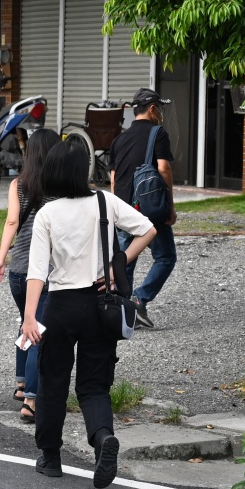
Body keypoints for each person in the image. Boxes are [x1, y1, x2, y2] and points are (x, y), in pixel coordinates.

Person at [21, 143, 158, 487]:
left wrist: (28, 316)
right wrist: (117, 265)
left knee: (53, 382)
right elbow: (148, 229)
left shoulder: (47, 215)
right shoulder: (104, 202)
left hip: (62, 306)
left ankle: (50, 457)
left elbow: (37, 271)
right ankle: (102, 439)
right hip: (101, 304)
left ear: (53, 173)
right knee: (94, 385)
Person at [0, 128, 62, 423]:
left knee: (25, 322)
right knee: (38, 333)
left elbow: (11, 221)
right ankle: (31, 399)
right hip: (43, 273)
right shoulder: (61, 187)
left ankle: (21, 383)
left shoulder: (19, 184)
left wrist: (0, 259)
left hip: (18, 270)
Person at [109, 87, 177, 328]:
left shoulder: (118, 139)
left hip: (122, 207)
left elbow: (114, 179)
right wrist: (169, 206)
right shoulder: (158, 133)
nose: (161, 112)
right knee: (166, 257)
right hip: (149, 208)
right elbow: (163, 169)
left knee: (126, 259)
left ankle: (123, 313)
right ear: (151, 109)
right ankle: (140, 299)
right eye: (160, 108)